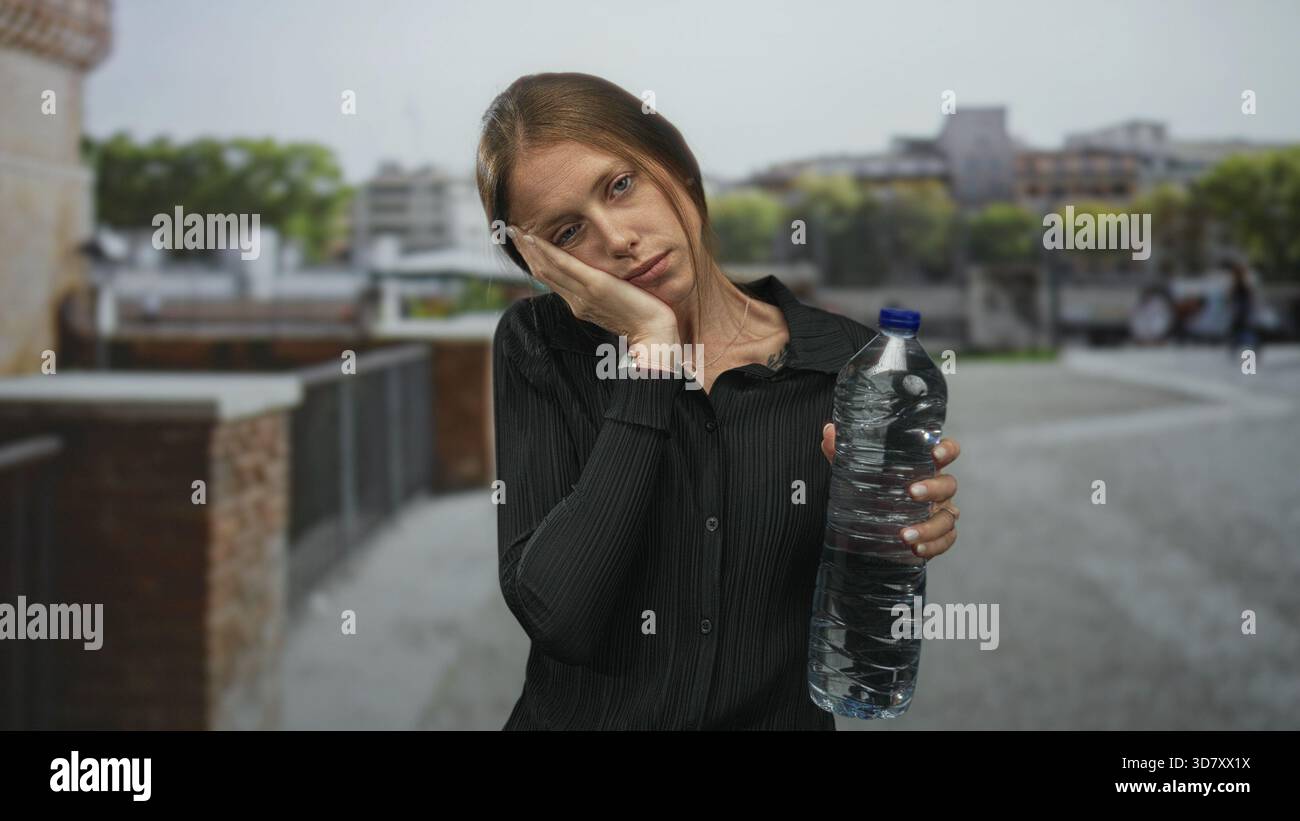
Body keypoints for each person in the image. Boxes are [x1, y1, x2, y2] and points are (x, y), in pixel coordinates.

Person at [478, 72, 962, 730]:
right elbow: (558, 615)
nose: (617, 238)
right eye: (567, 233)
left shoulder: (849, 365)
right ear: (544, 268)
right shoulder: (537, 348)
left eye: (620, 185)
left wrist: (895, 539)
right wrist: (649, 353)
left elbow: (855, 617)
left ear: (674, 166)